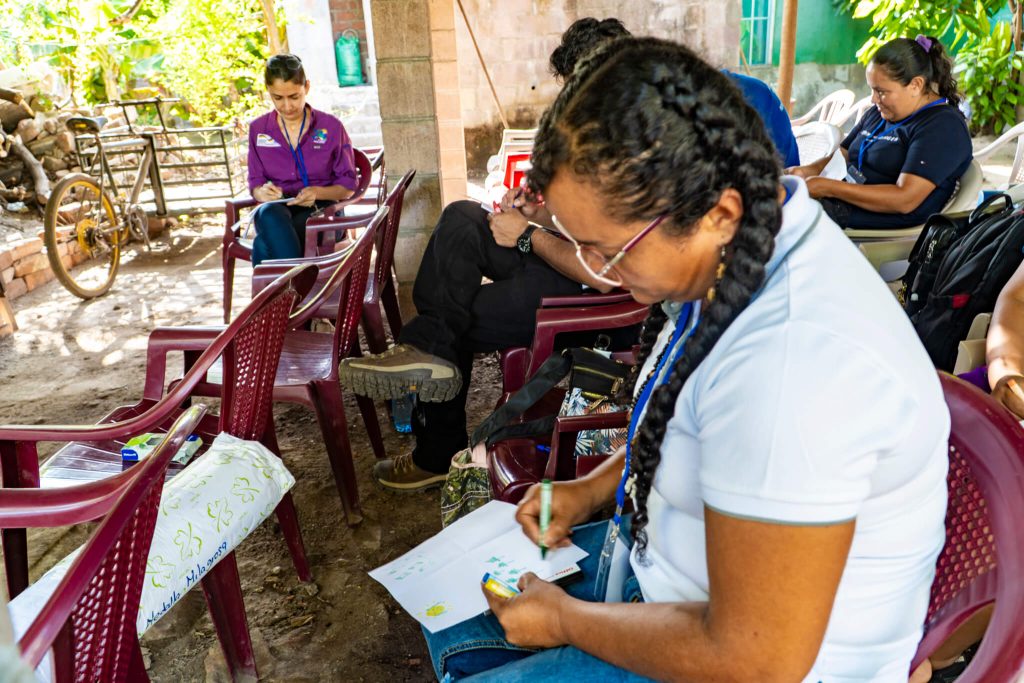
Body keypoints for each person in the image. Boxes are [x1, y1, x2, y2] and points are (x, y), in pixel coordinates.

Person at [421, 37, 951, 682]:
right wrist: (591, 490)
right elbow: (681, 421)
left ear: (717, 213)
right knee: (448, 622)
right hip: (668, 576)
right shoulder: (740, 254)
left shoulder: (792, 367)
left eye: (607, 250)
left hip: (760, 658)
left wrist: (565, 622)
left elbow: (755, 660)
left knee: (473, 656)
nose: (595, 269)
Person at [340, 17, 801, 491]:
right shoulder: (611, 131)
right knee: (462, 219)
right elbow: (585, 222)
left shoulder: (657, 143)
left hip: (605, 293)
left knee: (459, 313)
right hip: (576, 263)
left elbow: (606, 272)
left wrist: (526, 234)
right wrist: (537, 213)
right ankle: (427, 350)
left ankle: (436, 439)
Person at [788, 35, 972, 229]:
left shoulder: (943, 126)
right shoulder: (880, 113)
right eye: (872, 90)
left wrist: (828, 187)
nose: (873, 99)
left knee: (779, 214)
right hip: (841, 202)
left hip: (879, 223)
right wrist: (807, 171)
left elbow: (904, 200)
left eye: (881, 92)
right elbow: (842, 155)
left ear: (916, 85)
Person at [247, 53, 359, 265]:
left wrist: (317, 192)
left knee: (263, 245)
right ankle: (299, 283)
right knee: (268, 214)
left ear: (306, 87)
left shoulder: (331, 127)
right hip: (278, 210)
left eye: (294, 97)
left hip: (323, 212)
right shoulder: (259, 129)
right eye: (278, 98)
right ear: (268, 90)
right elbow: (255, 182)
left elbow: (348, 186)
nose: (287, 106)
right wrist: (262, 192)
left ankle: (290, 285)